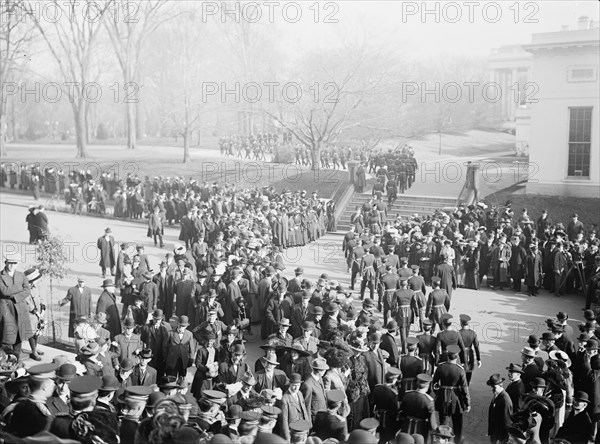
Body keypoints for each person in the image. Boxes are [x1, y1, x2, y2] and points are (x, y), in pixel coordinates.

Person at [431, 345, 471, 444]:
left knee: (443, 421)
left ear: (447, 356)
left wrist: (439, 392)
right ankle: (457, 441)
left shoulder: (441, 367)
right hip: (456, 398)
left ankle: (443, 440)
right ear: (457, 357)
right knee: (458, 423)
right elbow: (465, 388)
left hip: (442, 397)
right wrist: (467, 403)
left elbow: (434, 383)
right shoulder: (460, 369)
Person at [0, 255, 32, 355]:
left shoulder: (21, 275)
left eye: (14, 263)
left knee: (19, 336)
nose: (11, 265)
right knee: (7, 337)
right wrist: (19, 287)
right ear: (5, 263)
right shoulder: (0, 276)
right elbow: (5, 291)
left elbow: (27, 290)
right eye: (9, 263)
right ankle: (7, 362)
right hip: (6, 310)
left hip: (20, 310)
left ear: (17, 264)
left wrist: (15, 297)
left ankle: (17, 360)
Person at [486, 373, 513, 444]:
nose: (492, 389)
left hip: (499, 436)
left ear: (501, 386)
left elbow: (506, 422)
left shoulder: (505, 400)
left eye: (494, 387)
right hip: (494, 433)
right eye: (491, 386)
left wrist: (501, 439)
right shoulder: (497, 395)